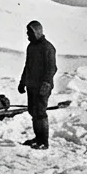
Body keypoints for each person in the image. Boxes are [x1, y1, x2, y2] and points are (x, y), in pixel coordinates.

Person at [18, 20, 57, 150]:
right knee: (33, 111)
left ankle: (44, 141)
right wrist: (22, 82)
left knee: (40, 112)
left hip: (42, 86)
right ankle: (38, 138)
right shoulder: (31, 47)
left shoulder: (47, 47)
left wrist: (46, 84)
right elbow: (27, 66)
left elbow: (52, 68)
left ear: (37, 32)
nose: (28, 35)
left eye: (30, 32)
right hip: (31, 85)